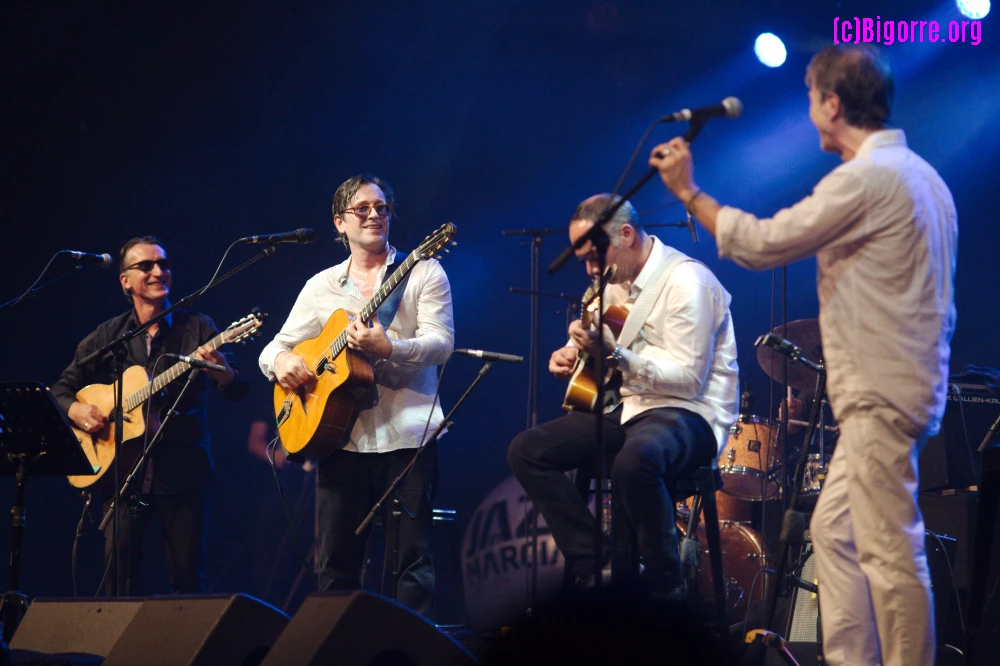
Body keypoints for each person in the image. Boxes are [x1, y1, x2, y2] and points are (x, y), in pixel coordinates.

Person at [649, 44, 956, 666]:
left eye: (813, 99)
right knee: (835, 531)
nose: (810, 111)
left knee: (890, 550)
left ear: (833, 104)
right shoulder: (924, 178)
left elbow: (762, 243)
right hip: (901, 385)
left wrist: (688, 192)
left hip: (883, 390)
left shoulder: (868, 179)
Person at [507, 193, 739, 600]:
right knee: (527, 450)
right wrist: (572, 351)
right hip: (628, 407)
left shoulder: (687, 282)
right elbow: (602, 336)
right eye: (582, 261)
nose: (590, 270)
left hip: (689, 412)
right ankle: (601, 565)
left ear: (626, 235)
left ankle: (665, 588)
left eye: (594, 257)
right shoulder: (612, 284)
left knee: (633, 463)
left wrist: (614, 355)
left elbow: (688, 380)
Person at [258, 173, 454, 618]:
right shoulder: (321, 286)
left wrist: (390, 348)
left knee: (412, 564)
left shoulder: (424, 270)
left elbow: (442, 343)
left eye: (382, 208)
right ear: (339, 222)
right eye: (362, 208)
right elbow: (274, 347)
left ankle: (412, 648)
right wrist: (281, 362)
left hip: (408, 436)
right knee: (336, 566)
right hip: (342, 441)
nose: (374, 215)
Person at [52, 236, 249, 595]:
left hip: (183, 469)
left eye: (163, 264)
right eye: (146, 266)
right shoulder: (109, 334)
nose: (158, 271)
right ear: (125, 280)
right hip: (123, 473)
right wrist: (77, 410)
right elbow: (61, 389)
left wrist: (221, 369)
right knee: (117, 575)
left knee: (186, 578)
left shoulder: (198, 327)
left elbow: (237, 388)